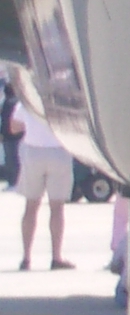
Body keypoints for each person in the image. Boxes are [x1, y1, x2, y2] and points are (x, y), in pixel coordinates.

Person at [15, 79, 76, 271]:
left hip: (33, 150)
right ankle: (56, 256)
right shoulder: (61, 101)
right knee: (57, 208)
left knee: (31, 206)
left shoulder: (28, 101)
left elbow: (14, 126)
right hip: (58, 150)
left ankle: (26, 257)